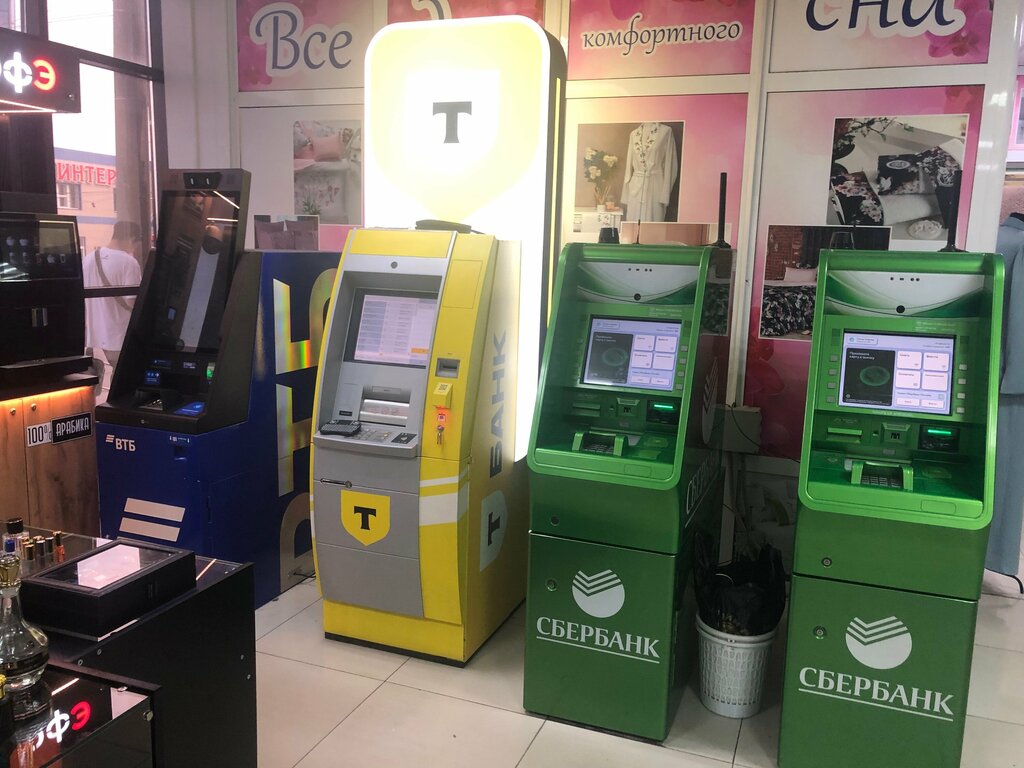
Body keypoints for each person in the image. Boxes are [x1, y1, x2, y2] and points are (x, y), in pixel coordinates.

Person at [81, 221, 143, 373]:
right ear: (132, 239)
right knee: (125, 380)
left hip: (95, 340)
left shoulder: (88, 260)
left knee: (97, 382)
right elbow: (133, 301)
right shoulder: (129, 263)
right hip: (119, 339)